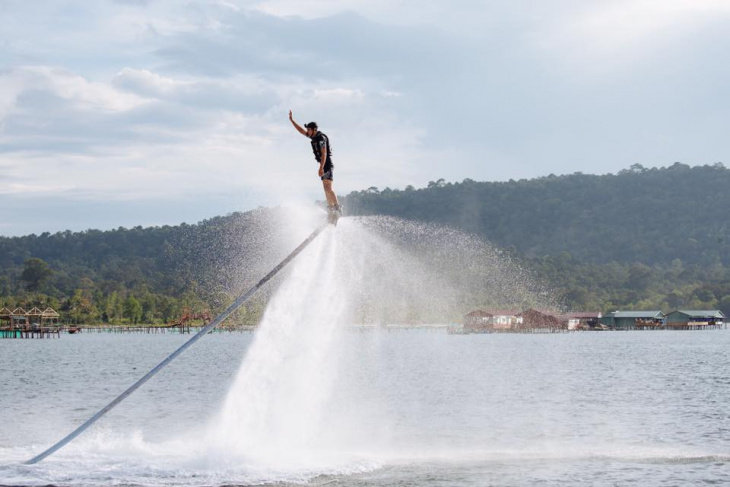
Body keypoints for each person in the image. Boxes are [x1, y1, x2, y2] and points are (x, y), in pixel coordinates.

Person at [289, 110, 342, 220]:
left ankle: (337, 207)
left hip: (326, 164)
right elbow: (301, 131)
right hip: (323, 165)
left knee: (328, 186)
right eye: (307, 129)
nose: (307, 131)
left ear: (314, 130)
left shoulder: (321, 138)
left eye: (309, 129)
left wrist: (321, 167)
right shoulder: (313, 137)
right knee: (325, 188)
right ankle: (331, 209)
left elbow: (324, 153)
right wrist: (292, 120)